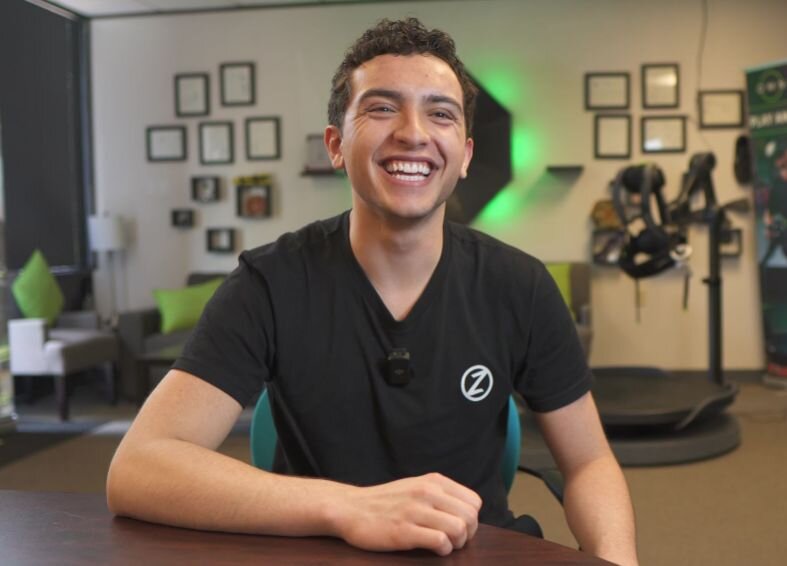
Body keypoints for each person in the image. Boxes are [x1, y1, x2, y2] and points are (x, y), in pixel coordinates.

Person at [107, 18, 638, 565]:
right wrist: (350, 507)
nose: (413, 132)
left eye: (440, 113)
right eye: (382, 108)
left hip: (474, 550)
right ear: (336, 145)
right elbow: (139, 467)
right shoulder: (269, 283)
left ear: (465, 155)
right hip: (316, 547)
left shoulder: (520, 288)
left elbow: (589, 464)